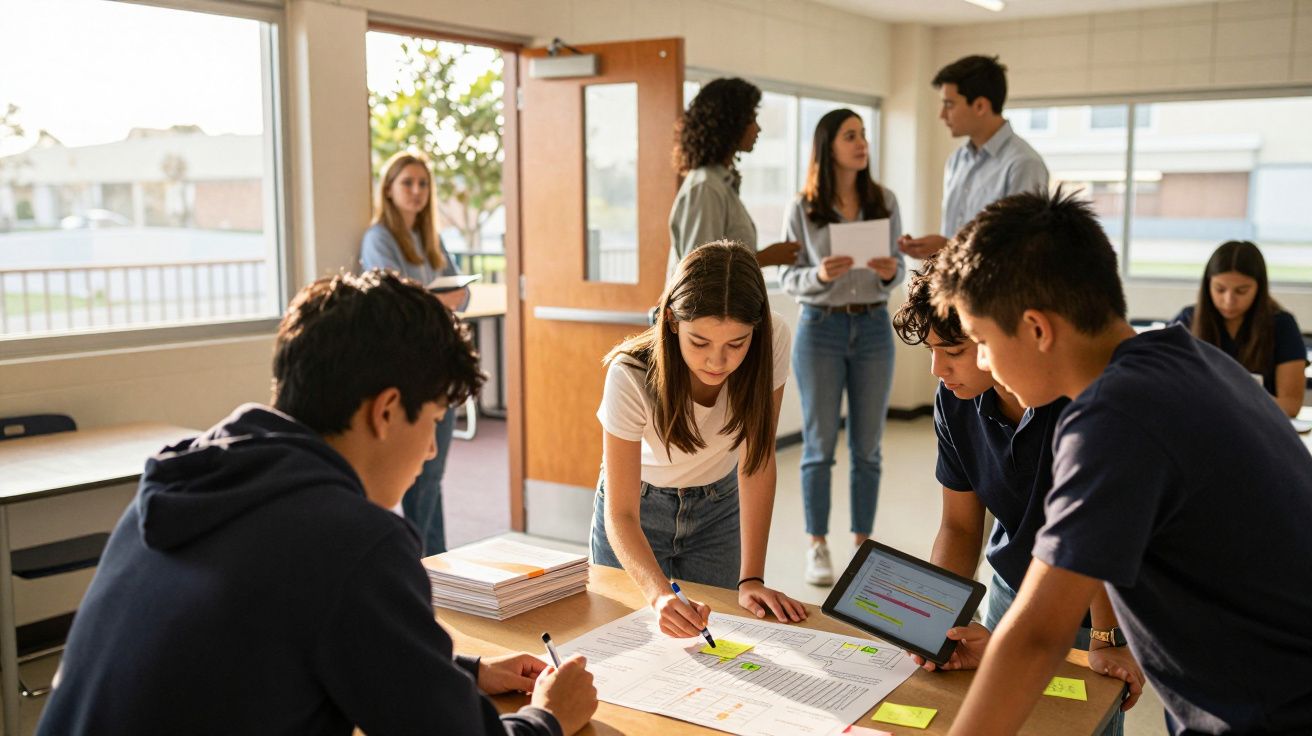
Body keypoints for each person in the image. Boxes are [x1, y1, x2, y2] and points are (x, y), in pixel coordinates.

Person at [36, 270, 598, 736]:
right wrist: (548, 717)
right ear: (385, 411)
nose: (430, 449)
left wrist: (464, 672)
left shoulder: (187, 481)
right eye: (430, 422)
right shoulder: (352, 542)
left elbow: (285, 638)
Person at [929, 190, 1312, 735]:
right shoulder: (1187, 359)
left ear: (1037, 329)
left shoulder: (1113, 418)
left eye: (983, 341)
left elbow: (1039, 635)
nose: (984, 361)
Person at [891, 252, 1140, 734]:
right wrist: (935, 620)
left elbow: (1106, 533)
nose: (937, 369)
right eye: (931, 351)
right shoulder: (954, 398)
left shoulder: (1078, 396)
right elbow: (961, 526)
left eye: (956, 350)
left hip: (1098, 592)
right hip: (1013, 586)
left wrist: (1106, 639)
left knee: (1082, 722)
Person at [591, 241, 808, 640]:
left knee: (715, 639)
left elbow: (757, 458)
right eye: (700, 342)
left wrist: (752, 578)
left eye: (736, 344)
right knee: (625, 642)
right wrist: (658, 596)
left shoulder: (773, 336)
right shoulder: (629, 375)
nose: (717, 362)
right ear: (672, 321)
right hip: (638, 508)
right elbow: (620, 514)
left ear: (756, 329)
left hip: (718, 509)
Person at [779, 109, 904, 585]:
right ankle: (817, 544)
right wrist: (819, 275)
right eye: (851, 135)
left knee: (868, 447)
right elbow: (788, 276)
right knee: (819, 446)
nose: (861, 143)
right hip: (821, 329)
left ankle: (862, 545)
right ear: (828, 145)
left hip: (873, 326)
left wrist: (890, 270)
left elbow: (899, 273)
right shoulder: (803, 206)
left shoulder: (884, 201)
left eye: (864, 134)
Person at [360, 149, 470, 555]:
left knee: (433, 474)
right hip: (407, 369)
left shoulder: (431, 240)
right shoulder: (379, 239)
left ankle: (435, 562)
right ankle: (418, 563)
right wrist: (439, 299)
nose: (417, 191)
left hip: (441, 364)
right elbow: (396, 303)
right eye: (407, 182)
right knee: (417, 475)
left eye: (423, 183)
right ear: (388, 190)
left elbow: (464, 292)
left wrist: (437, 299)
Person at [898, 55, 1048, 259]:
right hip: (953, 287)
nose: (942, 115)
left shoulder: (1023, 164)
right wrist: (937, 250)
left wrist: (948, 247)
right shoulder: (956, 161)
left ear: (980, 106)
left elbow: (1022, 250)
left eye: (949, 104)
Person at [669, 77, 800, 280]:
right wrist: (764, 258)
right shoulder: (706, 187)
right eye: (752, 119)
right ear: (731, 123)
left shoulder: (720, 184)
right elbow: (700, 272)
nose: (758, 129)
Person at [1172, 240, 1306, 417]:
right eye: (1220, 289)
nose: (1229, 300)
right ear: (1207, 285)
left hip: (1259, 431)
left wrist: (1231, 398)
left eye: (1241, 291)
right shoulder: (1187, 320)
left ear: (1259, 288)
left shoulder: (1282, 325)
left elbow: (1291, 405)